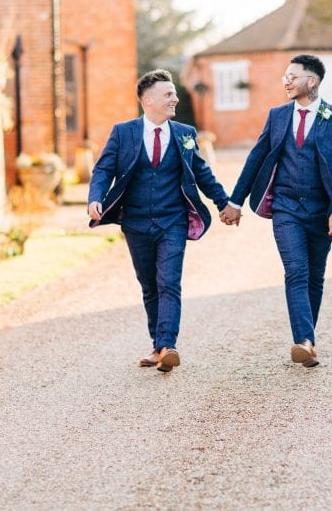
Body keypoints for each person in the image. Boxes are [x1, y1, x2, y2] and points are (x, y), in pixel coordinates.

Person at [88, 69, 240, 372]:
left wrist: (225, 203)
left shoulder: (185, 134)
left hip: (173, 220)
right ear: (148, 100)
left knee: (169, 282)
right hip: (135, 222)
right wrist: (96, 197)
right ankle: (158, 347)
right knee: (148, 285)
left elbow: (202, 172)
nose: (176, 98)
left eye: (174, 93)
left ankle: (169, 344)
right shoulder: (123, 132)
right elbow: (103, 169)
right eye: (168, 94)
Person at [227, 54, 332, 367]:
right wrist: (235, 200)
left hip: (321, 210)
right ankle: (303, 340)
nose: (286, 81)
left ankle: (307, 339)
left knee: (315, 276)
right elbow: (256, 159)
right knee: (296, 270)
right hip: (285, 207)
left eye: (293, 76)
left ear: (312, 81)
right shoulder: (278, 116)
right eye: (285, 76)